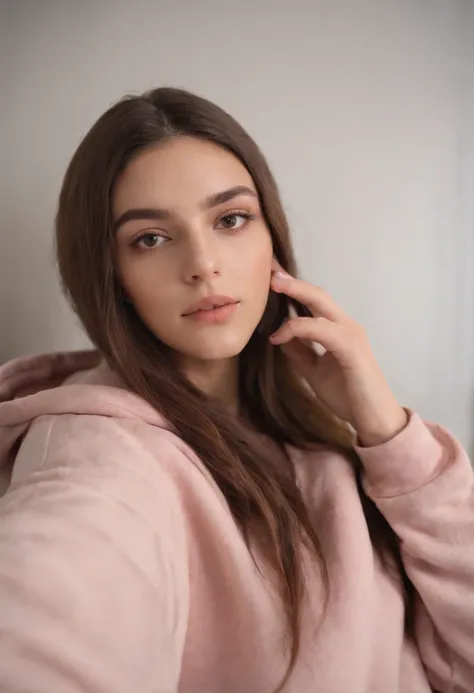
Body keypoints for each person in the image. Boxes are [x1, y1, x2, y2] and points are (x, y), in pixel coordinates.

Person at [0, 87, 472, 693]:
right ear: (112, 276)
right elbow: (54, 598)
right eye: (150, 237)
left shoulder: (327, 437)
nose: (203, 263)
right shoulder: (97, 450)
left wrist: (388, 434)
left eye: (230, 219)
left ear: (270, 237)